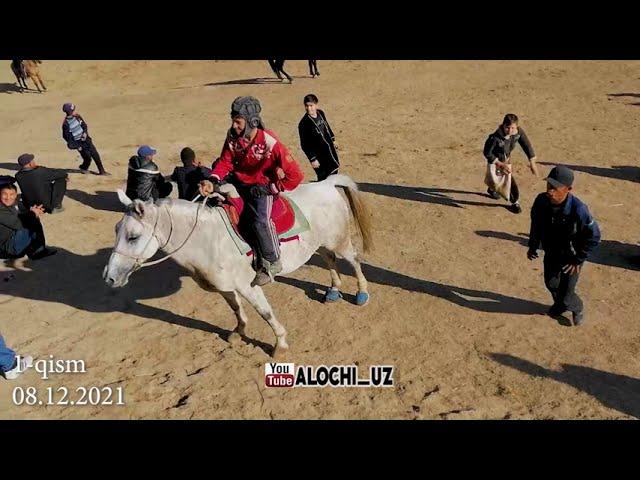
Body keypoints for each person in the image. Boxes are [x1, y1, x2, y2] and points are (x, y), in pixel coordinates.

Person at [199, 96, 304, 286]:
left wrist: (271, 187)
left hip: (263, 188)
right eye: (233, 120)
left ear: (252, 122)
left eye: (238, 121)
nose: (234, 125)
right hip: (240, 183)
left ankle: (272, 261)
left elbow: (296, 175)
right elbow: (225, 161)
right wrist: (211, 180)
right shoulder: (232, 137)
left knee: (260, 221)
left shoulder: (271, 143)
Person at [527, 166, 601, 326]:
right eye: (548, 186)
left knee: (567, 294)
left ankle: (576, 307)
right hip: (552, 251)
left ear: (568, 189)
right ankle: (560, 305)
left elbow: (594, 236)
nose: (550, 191)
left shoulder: (579, 210)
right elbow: (536, 224)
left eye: (555, 188)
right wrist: (533, 245)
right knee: (551, 283)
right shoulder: (541, 201)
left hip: (571, 258)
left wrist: (578, 258)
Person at [483, 113, 539, 214]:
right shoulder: (494, 138)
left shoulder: (518, 133)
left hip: (506, 161)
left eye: (512, 128)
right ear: (503, 125)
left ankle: (494, 190)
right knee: (506, 180)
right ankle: (514, 202)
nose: (510, 131)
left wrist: (532, 161)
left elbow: (526, 145)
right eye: (507, 128)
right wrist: (499, 164)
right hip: (496, 162)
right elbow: (487, 153)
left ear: (516, 127)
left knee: (502, 179)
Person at [0, 183, 57, 260]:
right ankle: (38, 251)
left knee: (30, 218)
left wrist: (33, 210)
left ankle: (35, 249)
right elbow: (18, 224)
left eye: (11, 194)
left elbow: (21, 208)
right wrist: (33, 213)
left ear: (16, 195)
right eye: (5, 194)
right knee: (32, 221)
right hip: (7, 249)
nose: (8, 197)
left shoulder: (9, 204)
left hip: (9, 242)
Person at [298, 94, 340, 181]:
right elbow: (304, 144)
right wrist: (313, 159)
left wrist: (333, 139)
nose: (309, 108)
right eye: (306, 106)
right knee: (323, 177)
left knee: (334, 170)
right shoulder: (303, 124)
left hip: (329, 148)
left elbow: (326, 126)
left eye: (311, 105)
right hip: (318, 154)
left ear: (316, 105)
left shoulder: (321, 113)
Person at [61, 103, 110, 175]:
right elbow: (66, 137)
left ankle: (102, 171)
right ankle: (83, 167)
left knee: (95, 154)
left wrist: (85, 133)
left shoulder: (77, 116)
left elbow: (84, 125)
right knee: (87, 158)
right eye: (73, 110)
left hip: (86, 139)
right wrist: (77, 146)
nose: (74, 111)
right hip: (78, 143)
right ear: (70, 112)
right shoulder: (65, 124)